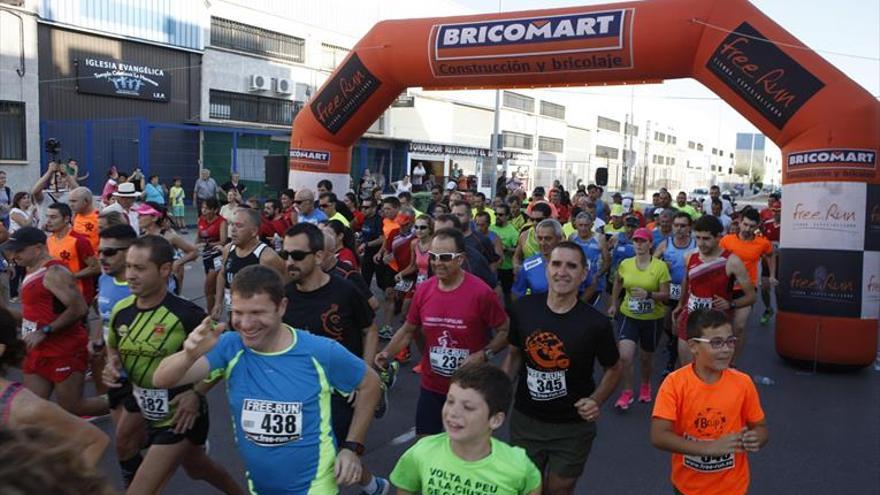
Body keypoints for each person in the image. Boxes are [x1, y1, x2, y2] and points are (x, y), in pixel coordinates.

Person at [153, 264, 381, 493]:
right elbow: (162, 379)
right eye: (238, 312)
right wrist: (189, 354)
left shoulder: (320, 351)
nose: (246, 324)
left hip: (314, 486)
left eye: (257, 313)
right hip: (260, 486)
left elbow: (370, 384)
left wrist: (352, 447)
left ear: (281, 307)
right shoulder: (230, 346)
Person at [102, 235, 243, 495]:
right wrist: (111, 364)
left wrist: (196, 393)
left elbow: (222, 359)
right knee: (193, 466)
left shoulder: (188, 315)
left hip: (179, 411)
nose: (130, 275)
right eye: (129, 266)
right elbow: (114, 345)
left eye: (140, 268)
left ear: (165, 269)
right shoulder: (122, 309)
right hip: (140, 400)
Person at [502, 242, 621, 494]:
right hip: (527, 420)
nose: (562, 272)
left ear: (583, 274)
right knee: (525, 485)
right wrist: (495, 396)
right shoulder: (523, 309)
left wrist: (596, 400)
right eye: (556, 264)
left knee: (560, 487)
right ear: (547, 269)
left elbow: (614, 368)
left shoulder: (596, 323)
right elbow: (513, 355)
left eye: (571, 266)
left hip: (572, 425)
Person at [280, 225, 388, 495]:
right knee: (328, 455)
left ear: (318, 257)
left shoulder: (345, 291)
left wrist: (364, 374)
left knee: (322, 459)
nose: (289, 262)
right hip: (301, 393)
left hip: (342, 392)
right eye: (285, 255)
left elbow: (370, 329)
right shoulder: (283, 297)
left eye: (297, 255)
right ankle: (373, 485)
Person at [375, 228, 509, 436]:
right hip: (432, 386)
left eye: (445, 257)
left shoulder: (481, 292)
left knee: (463, 452)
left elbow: (504, 330)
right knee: (424, 445)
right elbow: (409, 329)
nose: (437, 262)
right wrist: (387, 353)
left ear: (461, 259)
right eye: (433, 256)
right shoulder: (424, 290)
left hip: (469, 389)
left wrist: (484, 354)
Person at [651, 309, 768, 495]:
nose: (726, 349)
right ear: (693, 346)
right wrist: (707, 448)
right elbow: (659, 436)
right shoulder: (675, 383)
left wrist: (756, 438)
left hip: (733, 488)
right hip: (688, 488)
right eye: (716, 343)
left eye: (730, 341)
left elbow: (760, 427)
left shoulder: (743, 383)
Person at [0, 227, 108, 418]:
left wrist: (45, 331)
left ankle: (128, 402)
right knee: (30, 409)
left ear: (39, 247)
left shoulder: (54, 272)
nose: (14, 255)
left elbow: (80, 308)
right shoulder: (30, 269)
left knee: (74, 407)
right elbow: (34, 315)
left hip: (63, 348)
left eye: (20, 250)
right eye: (12, 250)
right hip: (37, 349)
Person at [391, 363, 542, 495]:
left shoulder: (518, 466)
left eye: (468, 407)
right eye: (450, 401)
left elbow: (533, 489)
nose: (453, 412)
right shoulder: (421, 452)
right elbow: (405, 489)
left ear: (495, 420)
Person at [0, 306, 109, 468]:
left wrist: (60, 486)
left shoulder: (24, 409)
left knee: (73, 405)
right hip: (42, 352)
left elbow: (94, 441)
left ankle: (123, 402)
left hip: (63, 350)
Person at [94, 224, 147, 485]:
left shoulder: (145, 286)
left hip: (143, 380)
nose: (102, 257)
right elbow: (105, 319)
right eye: (100, 250)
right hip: (116, 376)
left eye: (110, 252)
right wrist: (98, 344)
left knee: (123, 445)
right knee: (130, 445)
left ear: (131, 252)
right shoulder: (104, 278)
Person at [672, 216, 755, 365]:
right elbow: (687, 281)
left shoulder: (732, 261)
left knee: (711, 369)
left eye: (706, 238)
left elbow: (751, 296)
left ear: (718, 237)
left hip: (716, 322)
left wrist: (731, 304)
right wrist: (680, 305)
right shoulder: (690, 256)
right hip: (691, 317)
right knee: (686, 366)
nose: (701, 243)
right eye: (697, 238)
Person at [608, 227, 671, 409]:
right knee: (625, 356)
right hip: (629, 315)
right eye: (636, 241)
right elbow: (618, 284)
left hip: (652, 319)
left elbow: (666, 295)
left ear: (650, 244)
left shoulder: (659, 267)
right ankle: (627, 392)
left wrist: (648, 295)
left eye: (643, 241)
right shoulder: (626, 264)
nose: (639, 244)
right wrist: (614, 303)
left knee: (645, 358)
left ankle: (645, 385)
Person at [719, 208, 774, 361]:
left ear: (757, 226)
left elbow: (771, 255)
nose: (747, 229)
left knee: (739, 326)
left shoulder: (762, 243)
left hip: (746, 288)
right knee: (721, 327)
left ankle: (733, 363)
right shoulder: (726, 240)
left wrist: (772, 275)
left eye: (752, 226)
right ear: (740, 222)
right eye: (745, 224)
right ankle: (720, 357)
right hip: (726, 287)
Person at [213, 207, 287, 321]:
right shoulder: (228, 249)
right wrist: (218, 302)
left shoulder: (267, 257)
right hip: (233, 313)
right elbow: (222, 274)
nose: (232, 230)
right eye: (232, 224)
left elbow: (284, 287)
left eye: (239, 226)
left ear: (254, 231)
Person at [653, 212, 696, 373]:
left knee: (680, 325)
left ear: (689, 228)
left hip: (689, 292)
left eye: (683, 226)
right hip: (669, 290)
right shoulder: (666, 244)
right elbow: (653, 263)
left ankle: (672, 361)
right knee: (667, 323)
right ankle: (672, 340)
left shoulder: (695, 245)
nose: (679, 229)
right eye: (676, 225)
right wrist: (662, 265)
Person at [135, 203, 199, 295]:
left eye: (142, 215)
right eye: (139, 215)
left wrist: (177, 263)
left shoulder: (170, 237)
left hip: (167, 285)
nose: (138, 218)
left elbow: (193, 252)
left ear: (154, 218)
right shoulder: (140, 239)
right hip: (148, 284)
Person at [44, 202, 99, 305]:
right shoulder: (49, 240)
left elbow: (95, 267)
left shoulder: (79, 241)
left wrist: (72, 276)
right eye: (47, 217)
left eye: (53, 217)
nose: (48, 221)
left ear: (66, 219)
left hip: (78, 295)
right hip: (57, 294)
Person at [512, 219, 563, 299]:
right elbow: (517, 293)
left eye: (548, 238)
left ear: (559, 238)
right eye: (539, 238)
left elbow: (589, 286)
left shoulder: (573, 262)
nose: (543, 243)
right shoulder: (528, 265)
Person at [569, 211, 610, 307]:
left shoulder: (599, 238)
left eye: (586, 225)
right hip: (577, 283)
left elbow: (607, 261)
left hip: (595, 284)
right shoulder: (572, 237)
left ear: (591, 225)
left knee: (592, 312)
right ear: (575, 224)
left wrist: (597, 275)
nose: (583, 228)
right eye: (580, 225)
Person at [197, 199, 227, 316]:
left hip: (218, 255)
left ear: (215, 210)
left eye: (207, 208)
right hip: (206, 255)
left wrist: (211, 245)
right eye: (202, 208)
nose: (203, 210)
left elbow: (223, 241)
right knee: (212, 289)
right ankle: (215, 310)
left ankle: (211, 316)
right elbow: (198, 238)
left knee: (208, 288)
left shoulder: (222, 222)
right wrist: (197, 246)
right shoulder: (200, 220)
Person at [31, 161, 75, 230]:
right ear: (51, 180)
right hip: (46, 233)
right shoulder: (44, 194)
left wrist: (67, 174)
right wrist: (49, 172)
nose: (59, 178)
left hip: (65, 234)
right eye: (56, 176)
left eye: (62, 176)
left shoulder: (69, 195)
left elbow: (81, 192)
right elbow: (34, 191)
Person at [490, 203, 519, 304]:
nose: (498, 217)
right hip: (493, 268)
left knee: (507, 295)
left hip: (507, 269)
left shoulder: (513, 232)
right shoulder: (491, 228)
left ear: (507, 216)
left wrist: (505, 249)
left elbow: (518, 251)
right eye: (496, 214)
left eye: (501, 215)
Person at [758, 200, 780, 325]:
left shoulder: (787, 226)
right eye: (774, 211)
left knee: (778, 290)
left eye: (779, 211)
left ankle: (781, 313)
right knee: (764, 288)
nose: (776, 213)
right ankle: (768, 309)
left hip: (781, 262)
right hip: (767, 261)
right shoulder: (767, 224)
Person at [68, 187, 100, 251]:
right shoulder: (75, 215)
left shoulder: (99, 218)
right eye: (70, 201)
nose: (70, 205)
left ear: (86, 201)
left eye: (74, 201)